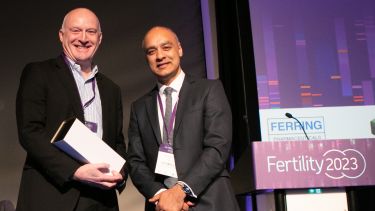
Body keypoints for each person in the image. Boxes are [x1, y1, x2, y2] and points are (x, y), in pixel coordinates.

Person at [16, 8, 127, 211]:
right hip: (53, 195)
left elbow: (117, 142)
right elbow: (29, 132)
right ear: (62, 35)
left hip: (100, 200)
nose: (83, 38)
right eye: (76, 30)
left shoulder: (112, 89)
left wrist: (121, 175)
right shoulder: (39, 73)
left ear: (99, 38)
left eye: (91, 32)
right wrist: (75, 171)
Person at [127, 26, 240, 211]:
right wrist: (161, 195)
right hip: (162, 206)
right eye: (151, 51)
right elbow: (135, 161)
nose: (160, 56)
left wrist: (181, 191)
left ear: (179, 49)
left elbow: (217, 147)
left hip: (210, 201)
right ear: (146, 58)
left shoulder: (209, 90)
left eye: (166, 47)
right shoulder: (139, 107)